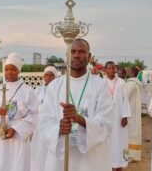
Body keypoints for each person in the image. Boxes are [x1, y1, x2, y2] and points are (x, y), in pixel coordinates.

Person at [37, 39, 113, 171]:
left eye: (82, 52)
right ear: (67, 55)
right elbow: (44, 122)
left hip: (90, 159)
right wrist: (58, 128)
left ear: (89, 57)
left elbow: (106, 123)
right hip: (60, 157)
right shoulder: (55, 86)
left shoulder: (100, 85)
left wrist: (79, 119)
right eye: (72, 52)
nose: (77, 55)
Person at [0, 52, 39, 171]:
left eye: (13, 69)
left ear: (19, 71)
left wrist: (16, 130)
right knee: (0, 163)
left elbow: (34, 115)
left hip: (18, 135)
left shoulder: (27, 91)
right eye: (7, 69)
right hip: (0, 132)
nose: (10, 72)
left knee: (18, 164)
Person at [105, 61, 131, 170]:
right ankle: (108, 165)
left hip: (119, 117)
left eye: (113, 68)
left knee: (120, 140)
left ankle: (119, 165)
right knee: (108, 141)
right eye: (109, 68)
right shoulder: (101, 83)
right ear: (105, 70)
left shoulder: (121, 82)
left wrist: (125, 116)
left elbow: (126, 100)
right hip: (106, 117)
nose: (112, 70)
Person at [31, 65, 58, 171]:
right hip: (39, 125)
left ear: (55, 77)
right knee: (38, 149)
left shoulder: (58, 90)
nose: (49, 77)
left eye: (51, 75)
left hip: (52, 125)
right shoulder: (37, 90)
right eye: (46, 75)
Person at [125, 66, 142, 162]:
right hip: (135, 111)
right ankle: (134, 154)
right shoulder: (136, 82)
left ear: (132, 73)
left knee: (129, 133)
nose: (126, 71)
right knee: (134, 132)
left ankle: (129, 155)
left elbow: (124, 97)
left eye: (128, 70)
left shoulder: (130, 84)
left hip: (129, 111)